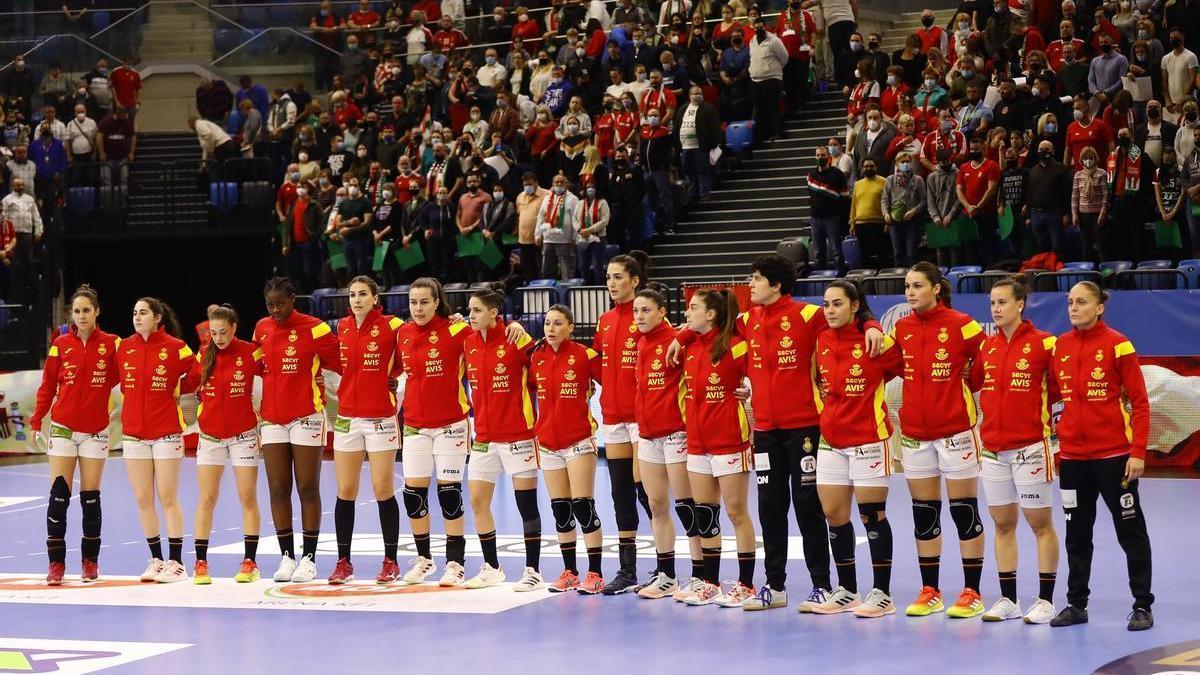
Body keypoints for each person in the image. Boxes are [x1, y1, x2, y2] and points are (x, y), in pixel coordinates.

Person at [397, 278, 518, 585]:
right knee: (414, 496)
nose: (418, 308)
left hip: (451, 424)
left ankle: (455, 562)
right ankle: (424, 559)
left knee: (449, 494)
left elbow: (490, 329)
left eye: (425, 302)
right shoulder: (403, 334)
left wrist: (514, 324)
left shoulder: (458, 331)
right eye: (413, 302)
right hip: (414, 425)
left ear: (437, 302)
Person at [1049, 282, 1154, 632]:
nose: (1073, 308)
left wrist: (1137, 452)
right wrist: (1055, 445)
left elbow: (1139, 402)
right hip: (1074, 462)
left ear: (1099, 307)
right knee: (1076, 535)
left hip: (1114, 459)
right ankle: (1076, 604)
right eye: (1069, 303)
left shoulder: (1118, 345)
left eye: (1081, 302)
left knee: (1130, 531)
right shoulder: (1060, 346)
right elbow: (1051, 398)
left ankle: (1142, 605)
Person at [893, 263, 988, 619]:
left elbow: (990, 358)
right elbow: (884, 365)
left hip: (956, 433)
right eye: (907, 286)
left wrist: (972, 374)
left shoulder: (962, 324)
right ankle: (930, 590)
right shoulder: (901, 328)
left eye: (917, 285)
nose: (910, 292)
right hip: (916, 434)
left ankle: (972, 591)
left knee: (964, 510)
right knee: (924, 514)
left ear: (936, 288)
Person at [966, 276, 1060, 624]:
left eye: (1002, 302)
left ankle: (1046, 601)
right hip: (992, 451)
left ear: (1020, 304)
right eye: (992, 303)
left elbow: (1063, 390)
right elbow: (974, 382)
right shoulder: (988, 348)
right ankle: (1008, 599)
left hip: (1031, 448)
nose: (996, 308)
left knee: (1040, 524)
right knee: (1003, 525)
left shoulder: (1045, 344)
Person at [811, 280, 903, 617]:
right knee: (834, 515)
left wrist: (873, 325)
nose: (830, 310)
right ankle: (847, 590)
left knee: (871, 516)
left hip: (868, 439)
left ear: (854, 306)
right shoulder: (821, 339)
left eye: (837, 304)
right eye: (826, 304)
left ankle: (882, 593)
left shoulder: (875, 341)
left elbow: (909, 369)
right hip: (831, 442)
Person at [31, 285, 120, 585]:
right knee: (58, 497)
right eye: (77, 311)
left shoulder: (112, 344)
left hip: (96, 431)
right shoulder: (60, 344)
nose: (81, 316)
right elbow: (47, 387)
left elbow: (131, 376)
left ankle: (89, 563)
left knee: (91, 499)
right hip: (63, 429)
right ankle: (56, 565)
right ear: (72, 314)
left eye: (86, 310)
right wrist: (35, 421)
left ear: (97, 312)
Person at [672, 289, 756, 607]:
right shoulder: (690, 346)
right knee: (706, 514)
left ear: (711, 315)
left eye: (693, 308)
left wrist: (750, 390)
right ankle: (710, 582)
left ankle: (746, 584)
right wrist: (681, 336)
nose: (687, 313)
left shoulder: (736, 346)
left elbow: (758, 375)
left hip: (730, 441)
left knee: (736, 513)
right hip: (697, 443)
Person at [255, 277, 340, 583]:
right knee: (278, 488)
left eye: (280, 303)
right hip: (273, 421)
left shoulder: (315, 328)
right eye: (270, 304)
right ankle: (287, 557)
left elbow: (345, 361)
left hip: (307, 417)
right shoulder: (261, 329)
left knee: (307, 487)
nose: (275, 309)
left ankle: (310, 559)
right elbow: (252, 364)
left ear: (293, 299)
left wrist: (387, 377)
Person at [464, 287, 545, 591]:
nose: (471, 316)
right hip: (483, 436)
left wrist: (524, 333)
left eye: (477, 311)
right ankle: (492, 567)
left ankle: (533, 571)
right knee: (477, 501)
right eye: (469, 311)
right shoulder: (468, 342)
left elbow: (543, 364)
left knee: (526, 505)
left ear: (494, 313)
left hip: (518, 436)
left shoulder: (515, 340)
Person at [326, 277, 404, 585]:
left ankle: (391, 561)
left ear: (375, 298)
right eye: (353, 295)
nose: (357, 299)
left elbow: (420, 340)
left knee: (383, 489)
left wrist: (396, 379)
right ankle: (343, 562)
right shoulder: (341, 327)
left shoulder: (393, 325)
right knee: (345, 491)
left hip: (381, 418)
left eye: (363, 294)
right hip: (347, 418)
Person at [630, 288, 703, 599]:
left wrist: (684, 333)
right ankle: (666, 575)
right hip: (647, 435)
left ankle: (701, 574)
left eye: (646, 310)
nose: (639, 317)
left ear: (662, 312)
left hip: (676, 433)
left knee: (687, 506)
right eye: (636, 311)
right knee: (656, 506)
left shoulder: (678, 339)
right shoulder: (640, 343)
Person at [120, 297, 197, 584]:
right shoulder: (124, 347)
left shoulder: (176, 348)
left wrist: (179, 387)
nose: (137, 317)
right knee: (143, 498)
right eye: (135, 313)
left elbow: (199, 371)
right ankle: (156, 559)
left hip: (166, 432)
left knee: (167, 496)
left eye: (143, 313)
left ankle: (176, 562)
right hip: (134, 435)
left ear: (157, 317)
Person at [530, 305, 606, 594]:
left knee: (583, 506)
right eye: (547, 323)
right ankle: (570, 571)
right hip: (548, 444)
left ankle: (595, 572)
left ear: (571, 327)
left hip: (578, 441)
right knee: (561, 509)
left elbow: (615, 380)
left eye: (558, 323)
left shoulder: (585, 356)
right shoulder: (536, 357)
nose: (550, 328)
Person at [190, 304, 263, 585]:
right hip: (210, 438)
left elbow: (273, 375)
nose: (218, 338)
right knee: (207, 499)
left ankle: (249, 562)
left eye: (223, 332)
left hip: (243, 436)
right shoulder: (203, 353)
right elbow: (189, 382)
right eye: (214, 333)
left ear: (234, 328)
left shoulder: (250, 351)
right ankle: (200, 563)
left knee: (247, 497)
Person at [590, 253, 650, 593]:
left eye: (618, 277)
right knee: (620, 494)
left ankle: (664, 565)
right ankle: (628, 571)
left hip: (643, 419)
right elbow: (597, 362)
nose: (611, 283)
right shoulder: (605, 320)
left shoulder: (646, 317)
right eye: (608, 277)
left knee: (648, 494)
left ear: (634, 280)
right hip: (612, 418)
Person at [956, 136, 1003, 265]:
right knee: (969, 247)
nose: (973, 151)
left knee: (988, 246)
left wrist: (978, 207)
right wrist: (968, 206)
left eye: (976, 149)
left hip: (986, 213)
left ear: (983, 148)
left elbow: (992, 190)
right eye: (971, 149)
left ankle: (989, 272)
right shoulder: (964, 167)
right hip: (968, 214)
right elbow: (959, 190)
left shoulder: (992, 165)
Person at [673, 85, 721, 203]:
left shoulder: (709, 108)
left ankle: (704, 193)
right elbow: (677, 127)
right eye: (695, 93)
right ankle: (693, 193)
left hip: (700, 147)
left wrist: (712, 144)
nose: (698, 95)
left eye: (700, 93)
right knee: (689, 171)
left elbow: (715, 128)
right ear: (689, 96)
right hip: (685, 147)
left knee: (702, 170)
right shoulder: (682, 109)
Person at [807, 145, 849, 271]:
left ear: (828, 157)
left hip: (832, 218)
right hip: (815, 219)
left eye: (823, 155)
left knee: (836, 251)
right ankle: (820, 279)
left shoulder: (837, 174)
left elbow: (845, 198)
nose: (820, 158)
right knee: (818, 253)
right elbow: (811, 195)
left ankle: (840, 277)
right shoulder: (811, 175)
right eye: (818, 155)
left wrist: (844, 219)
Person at [882, 152, 927, 268]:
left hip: (912, 221)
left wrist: (914, 211)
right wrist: (886, 213)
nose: (905, 164)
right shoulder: (890, 180)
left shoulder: (918, 180)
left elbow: (924, 201)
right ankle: (899, 281)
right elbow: (885, 200)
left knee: (911, 253)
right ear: (897, 164)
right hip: (894, 221)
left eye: (907, 161)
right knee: (897, 253)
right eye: (902, 162)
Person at [748, 16, 789, 143]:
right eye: (756, 28)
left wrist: (771, 70)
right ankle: (763, 134)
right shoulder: (752, 40)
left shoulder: (774, 40)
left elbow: (784, 57)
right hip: (755, 80)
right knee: (759, 108)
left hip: (771, 79)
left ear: (765, 27)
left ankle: (778, 132)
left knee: (773, 107)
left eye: (761, 27)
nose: (758, 29)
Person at [535, 174, 580, 281]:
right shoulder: (546, 199)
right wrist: (537, 234)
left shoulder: (573, 199)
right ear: (553, 184)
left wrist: (575, 237)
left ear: (566, 184)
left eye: (561, 182)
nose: (559, 184)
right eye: (557, 182)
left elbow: (576, 219)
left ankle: (566, 293)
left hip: (565, 240)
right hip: (548, 239)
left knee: (567, 270)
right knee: (547, 270)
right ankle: (550, 293)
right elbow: (540, 217)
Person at [849, 158, 889, 269]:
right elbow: (853, 205)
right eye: (866, 166)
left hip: (878, 224)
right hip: (861, 225)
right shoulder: (857, 184)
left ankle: (882, 279)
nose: (869, 168)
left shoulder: (884, 182)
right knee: (864, 255)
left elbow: (888, 203)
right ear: (862, 169)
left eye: (871, 166)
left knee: (882, 254)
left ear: (876, 167)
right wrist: (852, 223)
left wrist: (887, 223)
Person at [1071, 146, 1108, 263]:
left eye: (1090, 158)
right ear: (1081, 160)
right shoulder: (1078, 175)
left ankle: (1104, 275)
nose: (1088, 160)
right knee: (1086, 246)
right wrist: (1074, 215)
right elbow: (1075, 196)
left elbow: (1105, 196)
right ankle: (1088, 275)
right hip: (1083, 215)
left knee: (1102, 245)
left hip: (1097, 215)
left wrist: (1103, 213)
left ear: (1095, 159)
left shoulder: (1102, 173)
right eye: (1086, 158)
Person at [574, 184, 610, 285]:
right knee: (582, 266)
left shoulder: (602, 203)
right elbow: (574, 218)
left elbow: (604, 221)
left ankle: (599, 288)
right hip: (583, 238)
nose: (590, 189)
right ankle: (587, 287)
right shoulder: (580, 203)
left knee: (597, 265)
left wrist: (589, 230)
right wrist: (580, 229)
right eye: (588, 187)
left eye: (592, 187)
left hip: (598, 238)